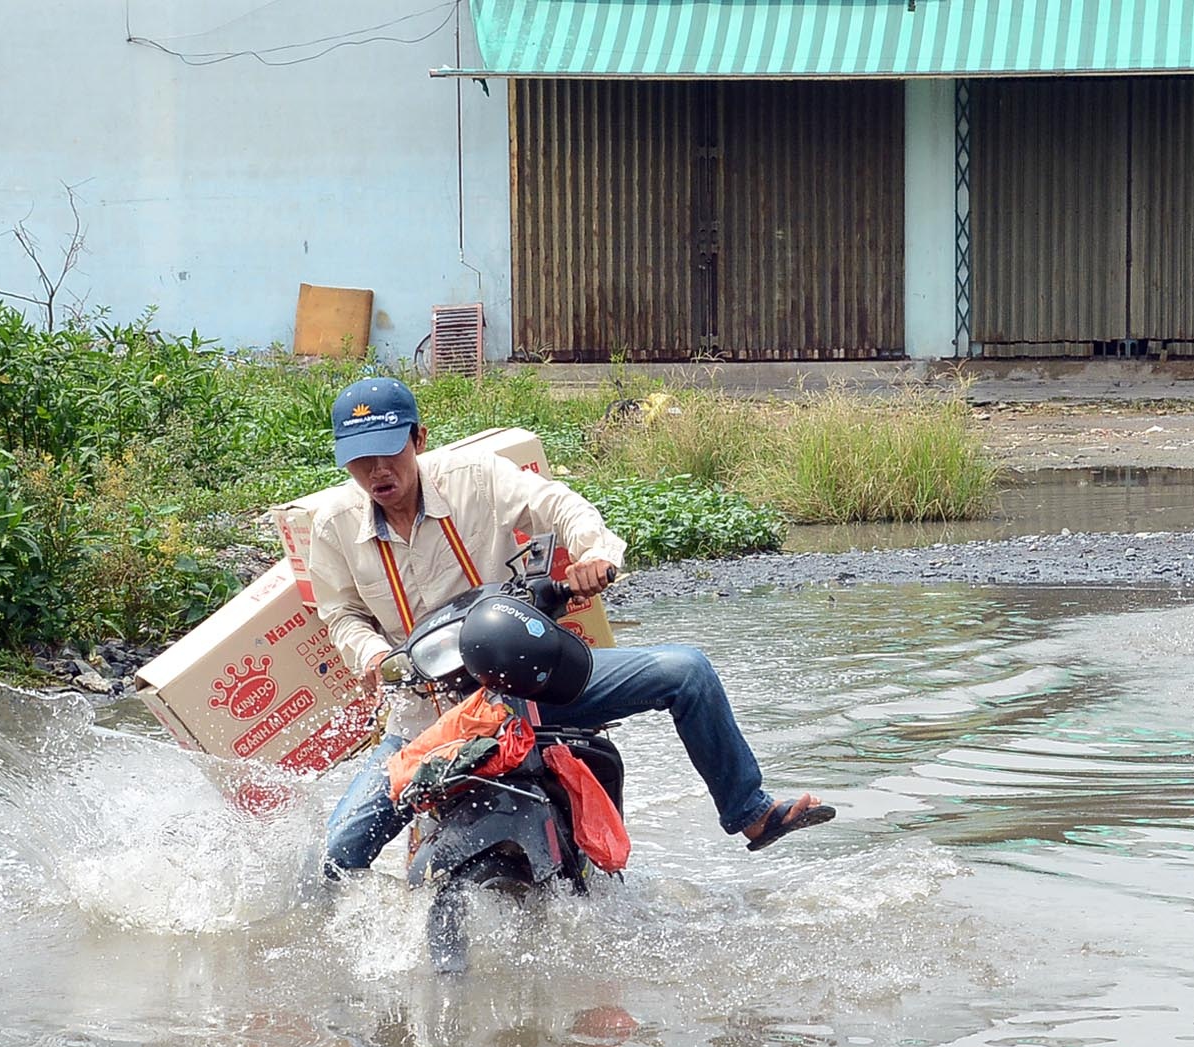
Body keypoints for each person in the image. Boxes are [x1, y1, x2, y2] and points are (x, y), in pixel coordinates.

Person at [309, 376, 834, 884]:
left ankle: (751, 811)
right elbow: (342, 615)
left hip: (526, 684)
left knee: (687, 671)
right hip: (429, 715)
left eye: (388, 450)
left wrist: (593, 553)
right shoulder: (333, 524)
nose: (376, 469)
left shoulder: (474, 477)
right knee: (340, 851)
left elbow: (559, 505)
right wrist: (375, 656)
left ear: (418, 439)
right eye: (359, 458)